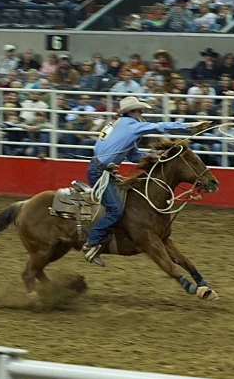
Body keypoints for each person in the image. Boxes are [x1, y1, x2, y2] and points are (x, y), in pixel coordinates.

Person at [82, 96, 211, 267]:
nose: (142, 113)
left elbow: (133, 155)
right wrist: (188, 125)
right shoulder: (130, 125)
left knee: (121, 204)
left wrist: (154, 156)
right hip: (99, 173)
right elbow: (159, 126)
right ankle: (91, 242)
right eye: (139, 110)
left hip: (101, 170)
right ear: (131, 112)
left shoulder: (120, 126)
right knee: (115, 209)